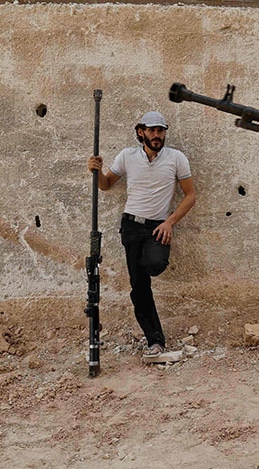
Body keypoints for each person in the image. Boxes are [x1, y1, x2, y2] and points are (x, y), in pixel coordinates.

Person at [87, 111, 196, 357]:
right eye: (152, 130)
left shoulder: (176, 158)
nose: (157, 135)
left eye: (161, 130)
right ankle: (155, 341)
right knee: (139, 287)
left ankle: (154, 335)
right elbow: (106, 185)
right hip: (131, 226)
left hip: (158, 226)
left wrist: (170, 222)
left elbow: (191, 195)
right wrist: (96, 170)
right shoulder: (127, 156)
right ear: (141, 132)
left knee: (155, 264)